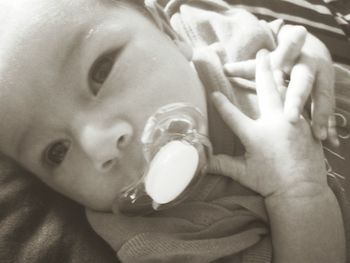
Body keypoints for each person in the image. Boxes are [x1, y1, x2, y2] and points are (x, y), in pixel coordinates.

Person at [0, 0, 345, 262]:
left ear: (166, 31)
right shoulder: (160, 239)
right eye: (56, 151)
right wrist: (298, 191)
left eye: (100, 72)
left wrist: (302, 46)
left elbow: (280, 32)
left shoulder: (203, 30)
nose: (99, 145)